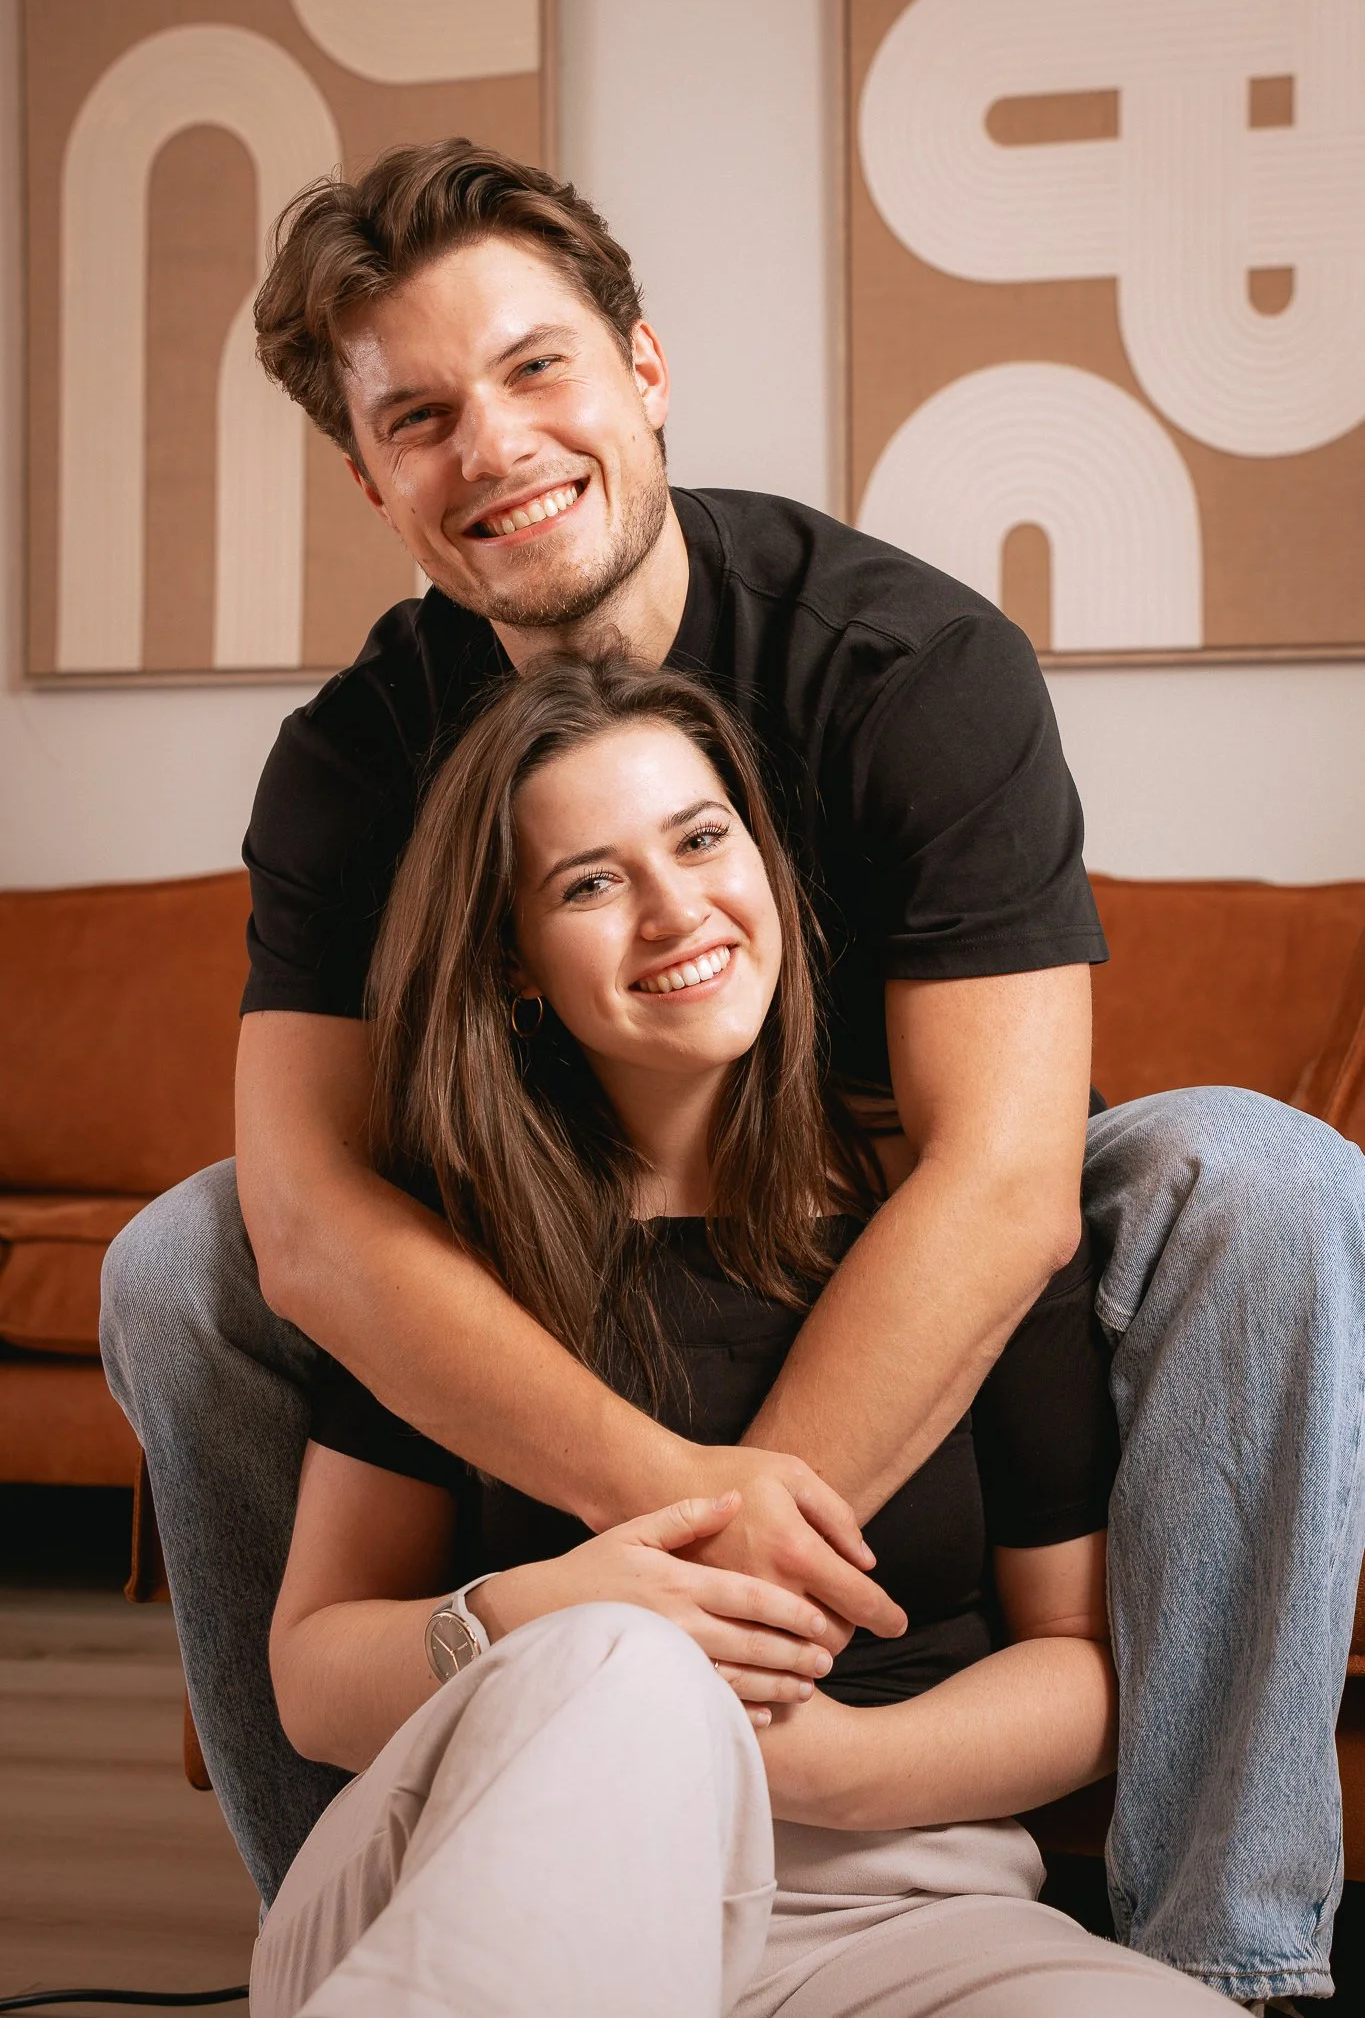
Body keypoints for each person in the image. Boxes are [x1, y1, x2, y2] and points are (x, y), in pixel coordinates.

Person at [97, 139, 1365, 2008]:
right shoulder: (359, 765)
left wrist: (716, 1607)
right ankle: (385, 1910)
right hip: (560, 1219)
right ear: (371, 480)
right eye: (424, 417)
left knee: (1259, 1179)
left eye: (539, 368)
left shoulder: (911, 664)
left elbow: (1005, 1176)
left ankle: (1231, 1953)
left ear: (645, 370)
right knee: (179, 1262)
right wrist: (660, 1526)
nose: (499, 444)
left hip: (895, 1189)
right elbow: (302, 1215)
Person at [251, 652, 1227, 2016]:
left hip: (902, 1917)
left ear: (766, 864)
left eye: (701, 839)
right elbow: (311, 1678)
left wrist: (803, 1761)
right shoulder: (455, 1255)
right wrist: (559, 1616)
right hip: (491, 1875)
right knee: (626, 1661)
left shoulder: (954, 1221)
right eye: (589, 882)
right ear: (513, 966)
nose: (673, 910)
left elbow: (1085, 1663)